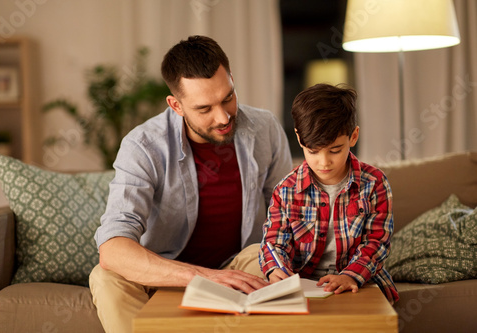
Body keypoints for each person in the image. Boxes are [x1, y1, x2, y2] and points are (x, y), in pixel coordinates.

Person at [89, 35, 292, 333]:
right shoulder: (142, 146)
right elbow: (113, 248)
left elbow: (286, 214)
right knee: (105, 277)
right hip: (167, 272)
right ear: (176, 105)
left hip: (239, 265)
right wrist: (203, 276)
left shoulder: (265, 128)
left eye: (228, 98)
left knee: (267, 257)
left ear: (232, 80)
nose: (223, 117)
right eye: (204, 109)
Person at [259, 83, 399, 304]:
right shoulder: (285, 190)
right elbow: (274, 242)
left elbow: (377, 242)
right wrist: (276, 269)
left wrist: (349, 275)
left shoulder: (374, 184)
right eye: (313, 151)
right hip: (305, 285)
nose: (324, 162)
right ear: (299, 138)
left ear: (353, 137)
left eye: (335, 150)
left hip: (360, 281)